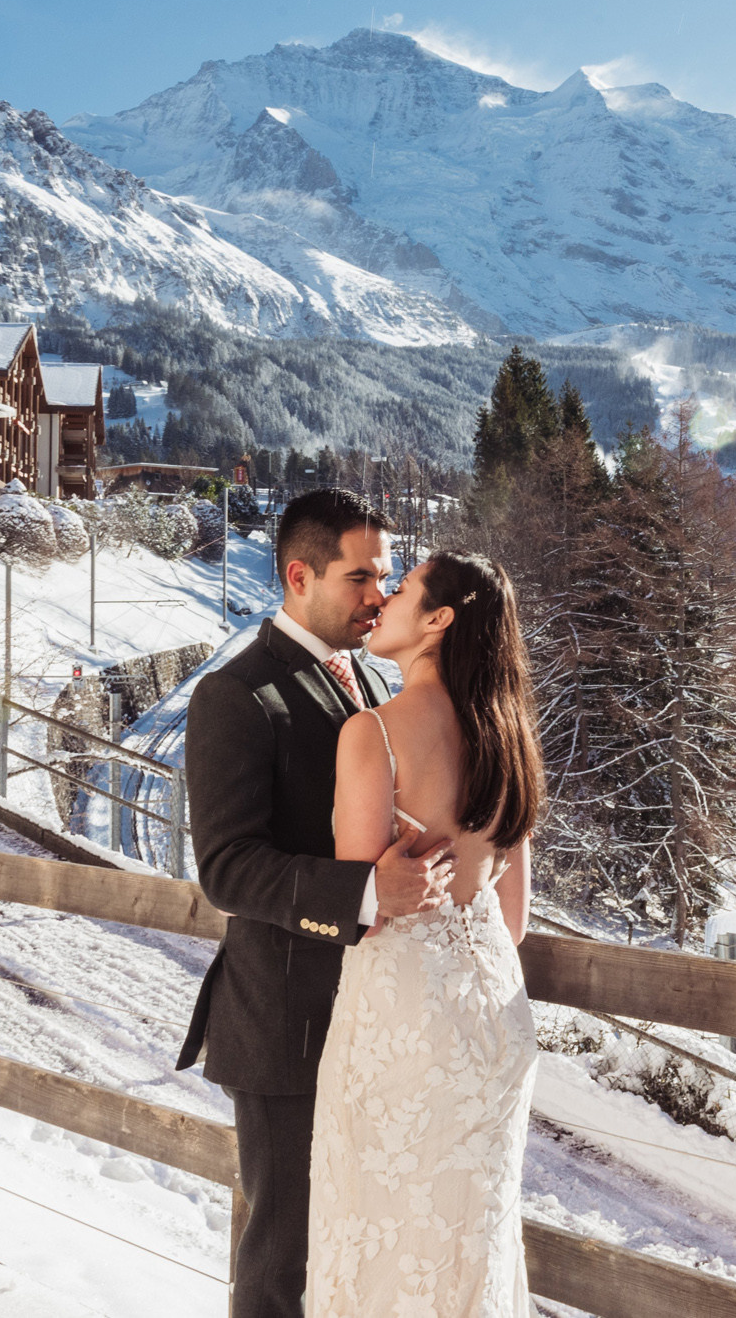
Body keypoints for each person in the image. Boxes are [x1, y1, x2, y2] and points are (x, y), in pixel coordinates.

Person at [175, 489, 457, 1318]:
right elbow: (226, 868)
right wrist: (367, 891)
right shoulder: (235, 694)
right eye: (360, 576)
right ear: (299, 576)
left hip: (368, 1021)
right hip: (283, 1027)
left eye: (385, 575)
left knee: (354, 1256)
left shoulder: (367, 677)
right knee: (282, 1269)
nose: (380, 593)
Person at [307, 549, 546, 1315]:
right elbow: (514, 920)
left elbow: (365, 907)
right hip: (496, 1018)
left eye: (404, 586)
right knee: (469, 1244)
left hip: (404, 1020)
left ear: (438, 618)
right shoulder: (508, 737)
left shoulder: (373, 734)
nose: (385, 598)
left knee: (379, 1239)